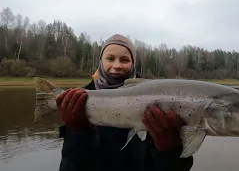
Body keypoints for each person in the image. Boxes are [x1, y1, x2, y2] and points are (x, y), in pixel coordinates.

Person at [56, 34, 194, 171]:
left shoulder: (155, 99)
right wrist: (77, 134)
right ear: (100, 61)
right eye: (110, 58)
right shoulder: (80, 100)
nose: (117, 66)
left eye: (124, 60)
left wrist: (170, 151)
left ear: (133, 63)